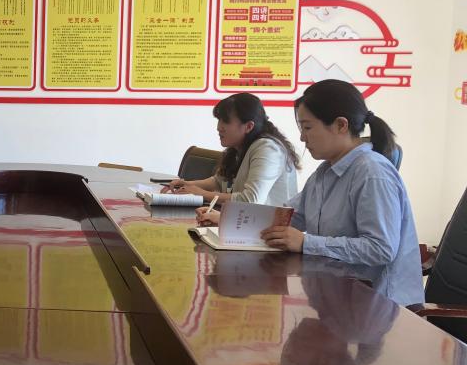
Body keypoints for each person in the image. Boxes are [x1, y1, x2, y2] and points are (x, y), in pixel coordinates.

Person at [258, 79, 423, 306]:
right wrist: (233, 218)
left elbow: (380, 249)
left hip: (378, 307)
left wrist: (306, 243)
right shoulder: (324, 172)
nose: (302, 138)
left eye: (307, 127)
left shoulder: (372, 172)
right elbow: (291, 216)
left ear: (341, 125)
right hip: (337, 295)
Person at [168, 92, 299, 206]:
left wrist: (201, 193)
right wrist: (189, 185)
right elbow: (219, 181)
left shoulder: (268, 149)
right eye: (219, 120)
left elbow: (250, 201)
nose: (219, 127)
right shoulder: (239, 146)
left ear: (248, 126)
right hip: (244, 221)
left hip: (268, 226)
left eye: (225, 121)